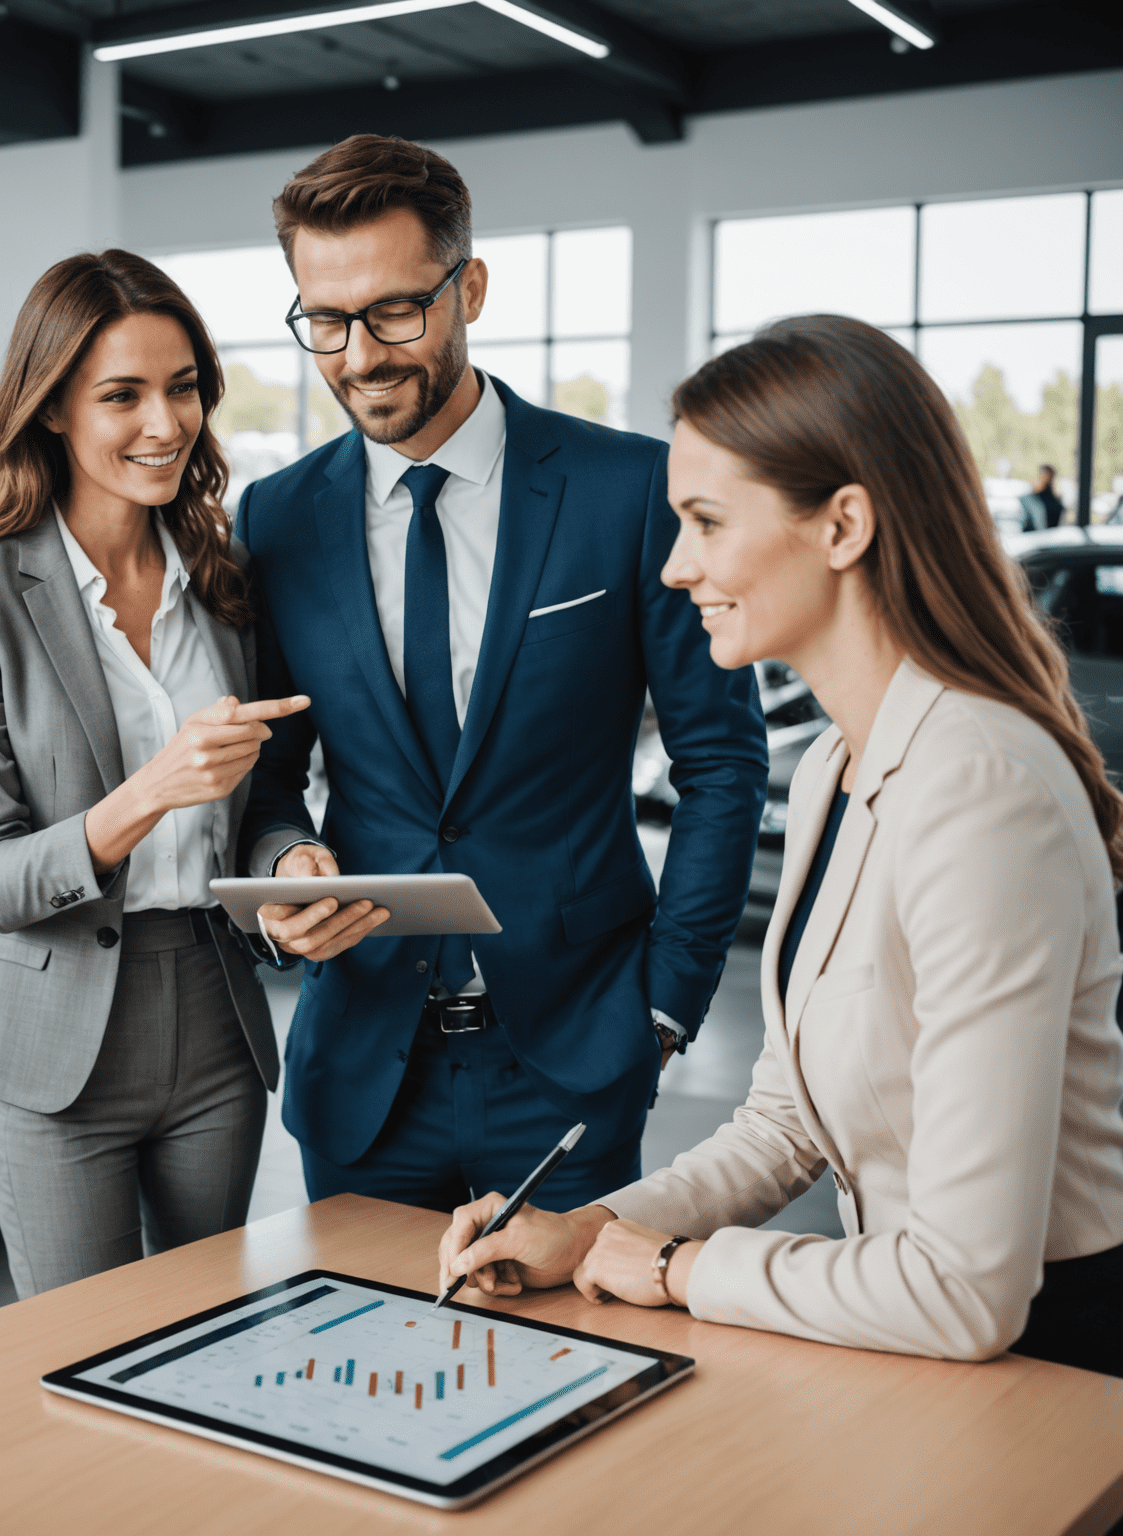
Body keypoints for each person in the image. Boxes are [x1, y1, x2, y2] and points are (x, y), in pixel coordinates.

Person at [435, 315, 1123, 1376]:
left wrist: (675, 1268)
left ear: (843, 524)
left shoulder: (980, 787)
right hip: (905, 1339)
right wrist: (586, 1230)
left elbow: (965, 1291)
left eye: (706, 523)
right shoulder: (831, 772)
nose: (672, 569)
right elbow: (786, 1120)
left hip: (1057, 1374)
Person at [236, 135, 770, 1212]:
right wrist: (284, 863)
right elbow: (269, 770)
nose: (359, 356)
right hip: (360, 1067)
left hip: (574, 1055)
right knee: (363, 1375)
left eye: (395, 311)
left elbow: (721, 760)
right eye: (325, 321)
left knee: (575, 1373)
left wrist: (665, 1004)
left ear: (468, 285)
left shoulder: (626, 488)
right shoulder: (277, 517)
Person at [0, 251, 309, 1298]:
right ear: (51, 410)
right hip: (58, 1041)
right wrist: (150, 793)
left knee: (199, 1342)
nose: (165, 423)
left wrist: (293, 860)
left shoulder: (224, 580)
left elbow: (261, 798)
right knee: (78, 1357)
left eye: (183, 387)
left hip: (216, 1016)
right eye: (123, 395)